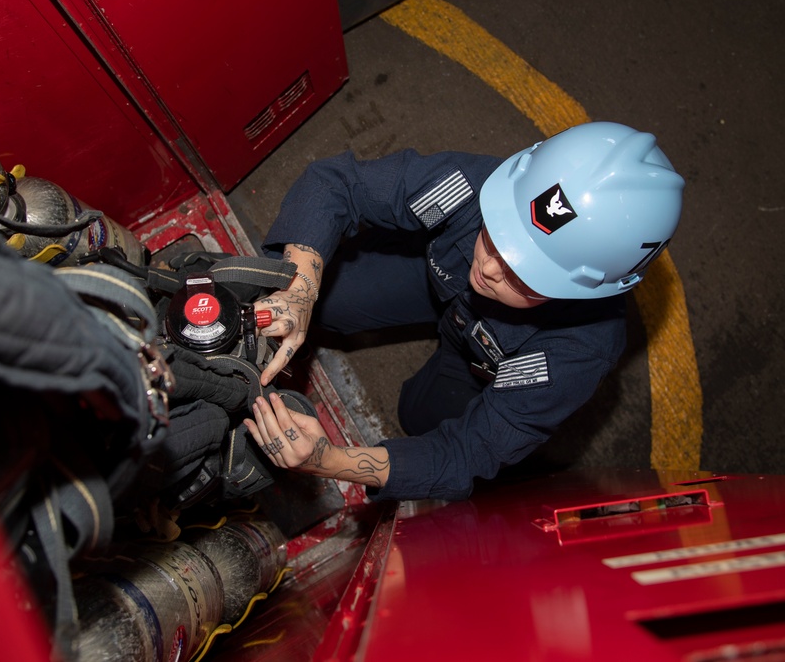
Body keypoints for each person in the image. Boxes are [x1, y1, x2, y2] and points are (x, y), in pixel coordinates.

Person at [243, 121, 684, 501]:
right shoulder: (480, 186)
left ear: (585, 289)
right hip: (433, 280)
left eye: (525, 275)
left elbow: (466, 453)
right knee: (330, 302)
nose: (489, 268)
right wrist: (300, 288)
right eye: (495, 232)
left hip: (483, 361)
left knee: (419, 416)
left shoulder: (577, 351)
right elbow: (337, 184)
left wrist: (331, 460)